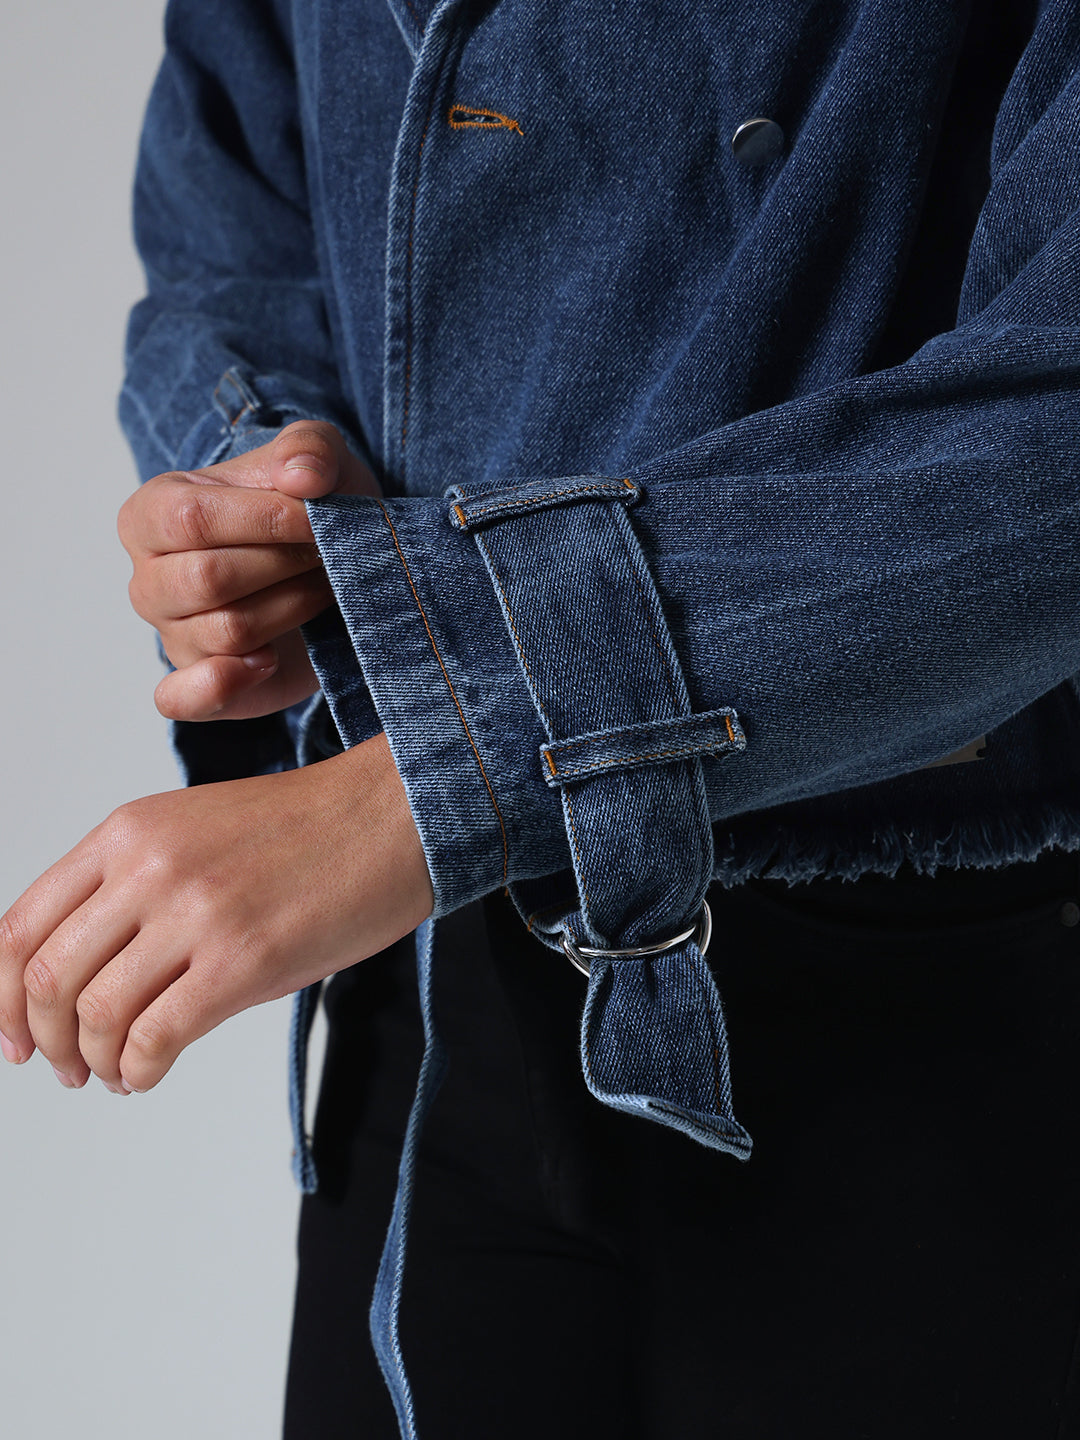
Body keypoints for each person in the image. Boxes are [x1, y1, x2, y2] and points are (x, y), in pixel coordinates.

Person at [3, 0, 1080, 1434]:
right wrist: (249, 492)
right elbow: (235, 180)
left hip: (907, 997)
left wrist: (434, 776)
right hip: (420, 998)